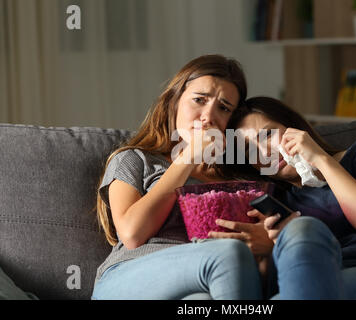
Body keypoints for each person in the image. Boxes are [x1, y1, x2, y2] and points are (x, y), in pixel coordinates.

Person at [209, 96, 356, 300]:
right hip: (315, 277)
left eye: (267, 135)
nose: (265, 153)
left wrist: (321, 160)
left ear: (293, 126)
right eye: (251, 151)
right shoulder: (279, 201)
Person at [91, 55, 263, 300]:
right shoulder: (136, 159)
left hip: (202, 284)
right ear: (174, 101)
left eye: (223, 108)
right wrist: (189, 157)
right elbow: (132, 234)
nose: (208, 116)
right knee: (228, 253)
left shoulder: (239, 179)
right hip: (128, 277)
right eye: (199, 100)